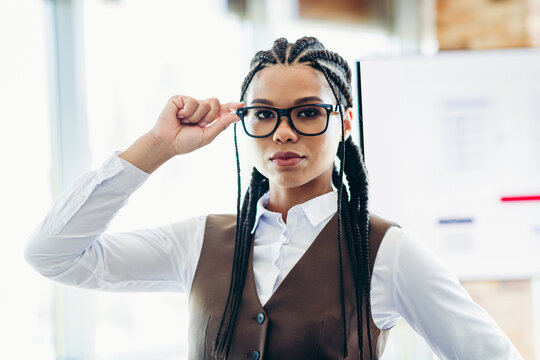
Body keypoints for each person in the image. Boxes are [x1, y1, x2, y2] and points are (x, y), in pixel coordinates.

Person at [25, 36, 523, 360]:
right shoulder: (200, 242)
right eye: (264, 114)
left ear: (344, 121)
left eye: (307, 113)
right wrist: (156, 147)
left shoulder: (385, 251)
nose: (283, 133)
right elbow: (53, 254)